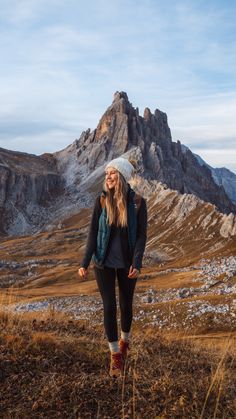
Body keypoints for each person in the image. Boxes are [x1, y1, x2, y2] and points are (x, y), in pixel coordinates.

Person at [78, 157, 147, 378]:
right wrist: (85, 262)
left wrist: (137, 263)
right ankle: (115, 356)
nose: (108, 176)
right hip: (103, 264)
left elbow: (141, 237)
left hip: (127, 265)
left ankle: (125, 341)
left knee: (126, 306)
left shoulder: (137, 202)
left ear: (123, 177)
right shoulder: (100, 201)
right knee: (109, 307)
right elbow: (92, 234)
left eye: (113, 173)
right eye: (107, 173)